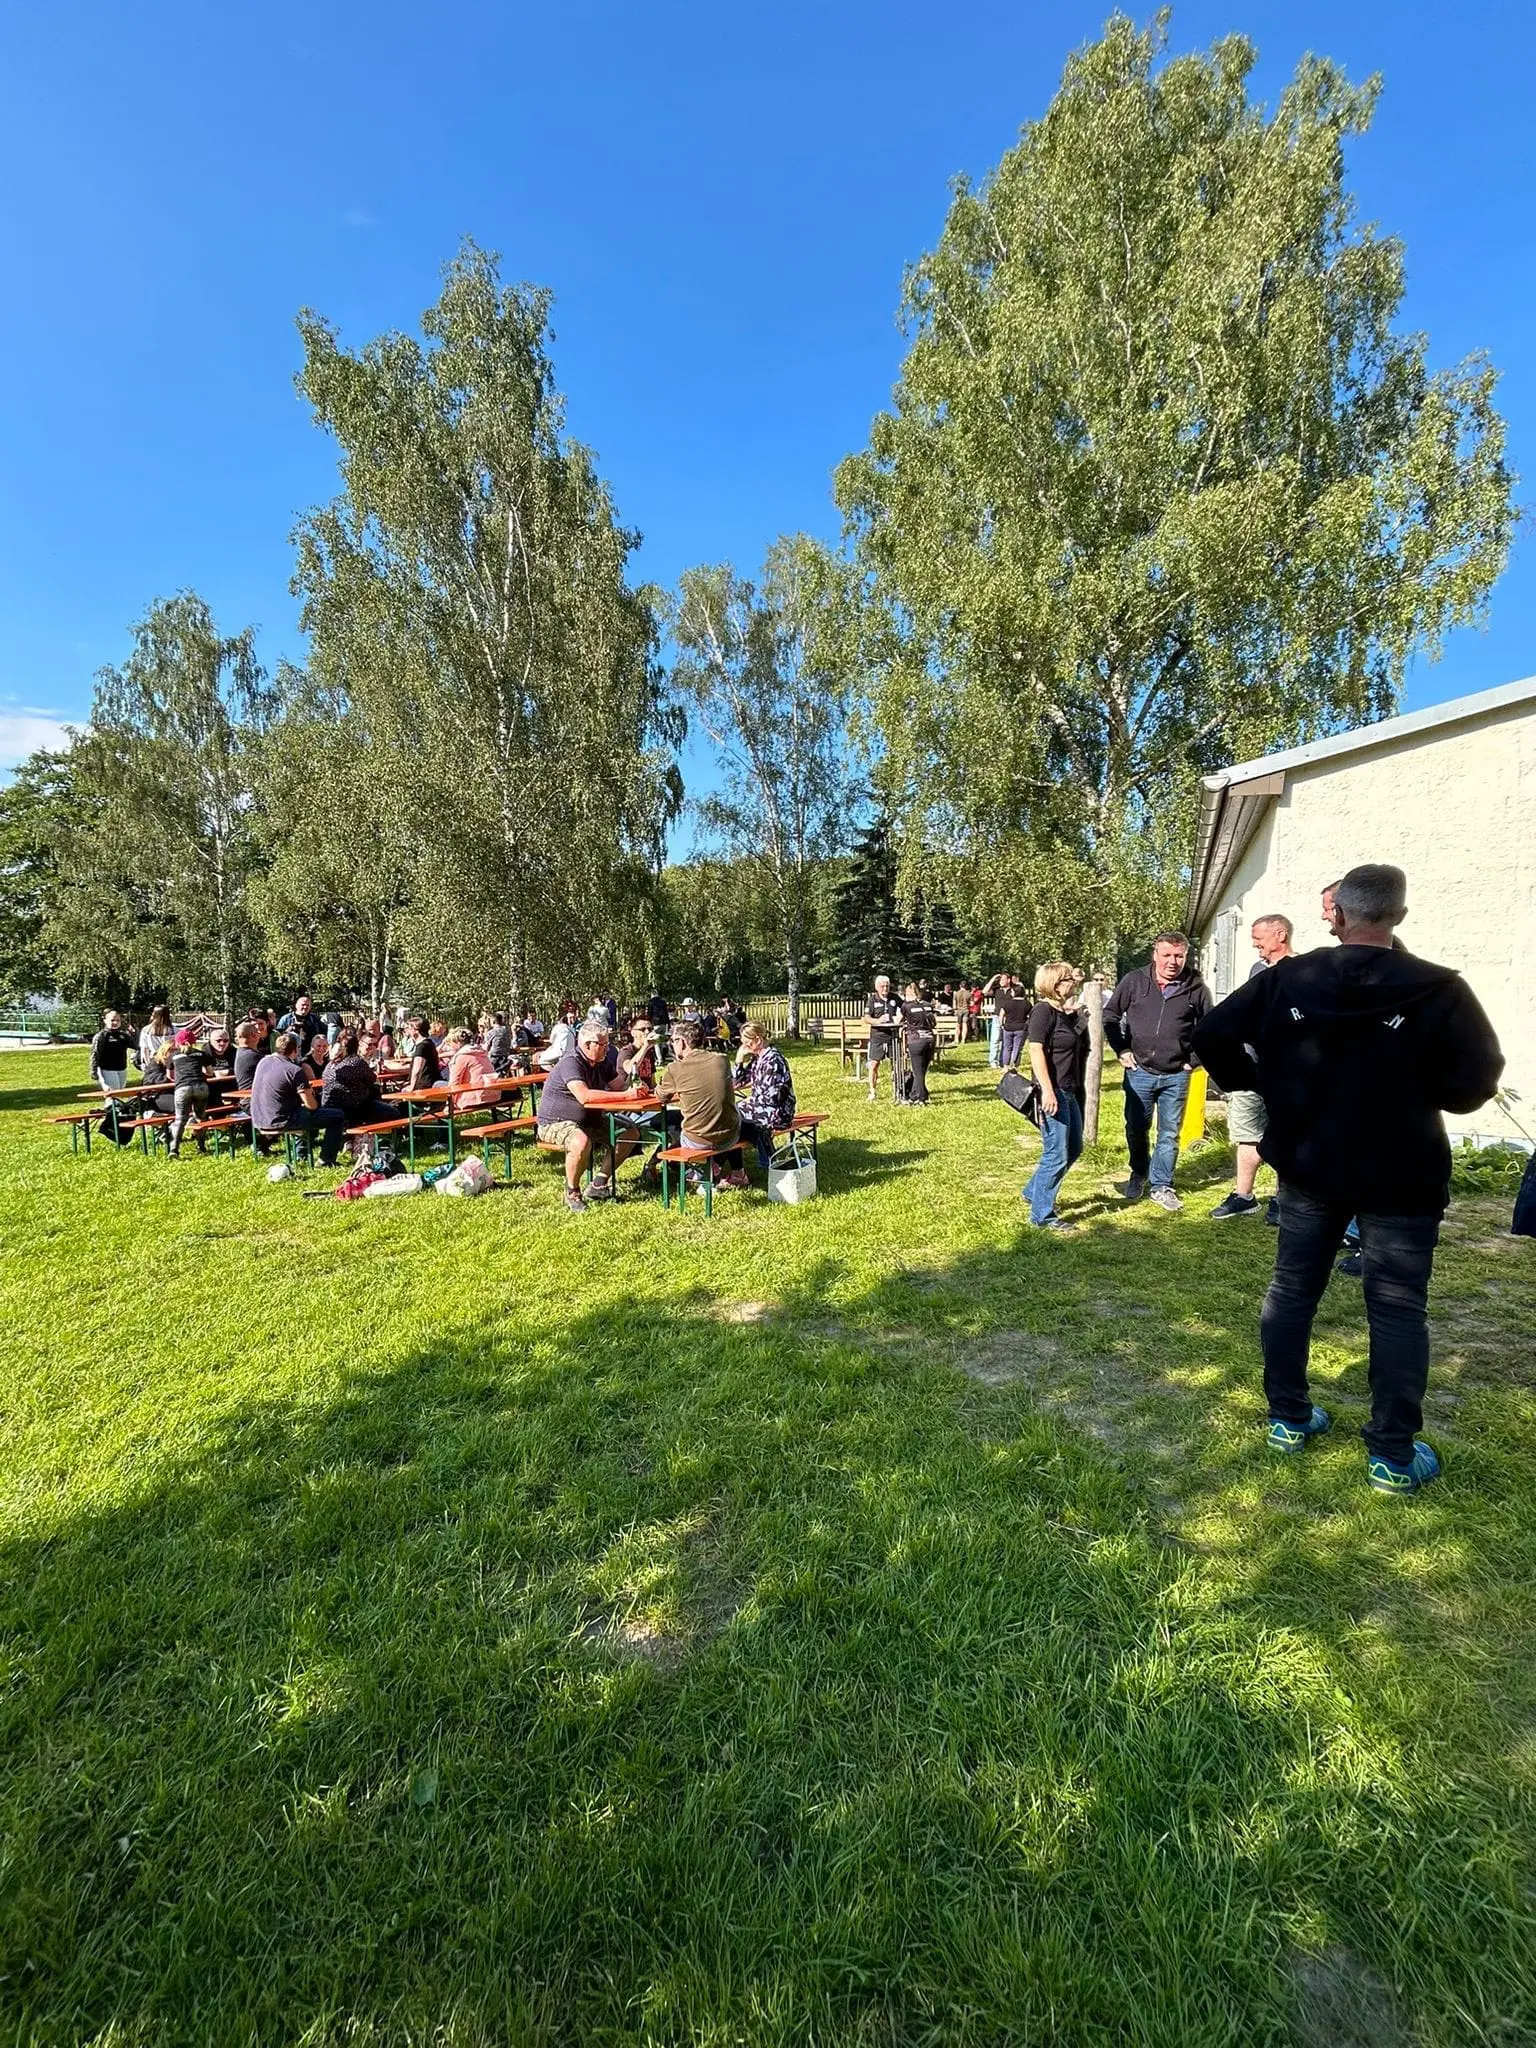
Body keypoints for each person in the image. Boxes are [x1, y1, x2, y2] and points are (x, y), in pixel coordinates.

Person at [1193, 863, 1503, 1494]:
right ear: (1400, 916)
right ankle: (1391, 1454)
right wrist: (1421, 1091)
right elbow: (1476, 1082)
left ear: (1336, 915)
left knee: (1292, 1291)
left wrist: (1265, 1080)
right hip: (1401, 1169)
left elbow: (1211, 1034)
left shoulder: (1289, 978)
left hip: (1312, 1165)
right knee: (1397, 1309)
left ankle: (1288, 1418)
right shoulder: (1439, 987)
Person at [1104, 932, 1211, 1212]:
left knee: (1169, 1133)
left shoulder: (1196, 987)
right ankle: (1139, 1171)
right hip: (1139, 1070)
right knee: (1136, 1127)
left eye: (1179, 956)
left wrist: (1194, 1060)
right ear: (1155, 955)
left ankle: (1162, 1185)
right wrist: (1121, 1049)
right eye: (1167, 955)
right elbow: (1110, 1016)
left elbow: (1209, 1027)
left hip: (1176, 1073)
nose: (1172, 961)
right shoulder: (1134, 981)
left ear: (1185, 956)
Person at [1210, 915, 1297, 1222]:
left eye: (1259, 938)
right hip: (1250, 1067)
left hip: (1286, 1071)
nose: (1254, 944)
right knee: (1247, 1133)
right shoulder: (1257, 970)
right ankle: (1244, 1196)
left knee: (1286, 1134)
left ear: (1280, 934)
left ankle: (1282, 1199)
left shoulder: (1303, 971)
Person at [536, 1018, 643, 1212]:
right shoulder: (571, 1062)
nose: (608, 1049)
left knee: (630, 1132)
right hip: (555, 1122)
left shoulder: (601, 1062)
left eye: (608, 1044)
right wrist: (627, 1095)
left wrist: (636, 1084)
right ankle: (572, 1192)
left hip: (590, 1120)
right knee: (580, 1142)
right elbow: (584, 1096)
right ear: (587, 1045)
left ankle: (599, 1184)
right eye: (603, 1045)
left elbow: (619, 1085)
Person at [1023, 962, 1089, 1229]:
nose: (1073, 982)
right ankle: (1042, 1216)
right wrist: (1047, 1090)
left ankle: (1033, 1191)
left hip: (1070, 1090)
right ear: (1054, 984)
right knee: (1057, 1153)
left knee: (1074, 1148)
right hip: (1054, 1091)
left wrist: (1079, 1018)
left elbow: (1073, 1045)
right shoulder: (1042, 1011)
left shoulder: (1064, 1013)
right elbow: (1035, 1050)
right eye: (1067, 979)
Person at [656, 1018, 745, 1186]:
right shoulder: (721, 1060)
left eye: (672, 1041)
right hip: (730, 1136)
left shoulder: (675, 1069)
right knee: (732, 1112)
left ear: (681, 1042)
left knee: (676, 1129)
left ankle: (694, 1172)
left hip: (698, 1140)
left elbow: (661, 1097)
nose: (671, 1045)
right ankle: (724, 1169)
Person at [249, 1031, 346, 1166]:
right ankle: (326, 1159)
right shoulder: (294, 1070)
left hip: (258, 1118)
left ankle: (301, 1154)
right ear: (295, 1050)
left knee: (302, 1113)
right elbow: (311, 1106)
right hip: (282, 1120)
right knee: (337, 1116)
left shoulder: (263, 1062)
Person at [736, 1020, 796, 1169]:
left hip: (779, 1112)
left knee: (733, 1115)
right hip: (763, 1108)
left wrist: (750, 1101)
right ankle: (765, 1156)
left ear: (758, 1040)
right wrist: (739, 1061)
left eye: (746, 1042)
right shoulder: (758, 1058)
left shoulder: (773, 1060)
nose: (744, 1046)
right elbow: (737, 1082)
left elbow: (771, 1097)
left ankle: (763, 1159)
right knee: (732, 1115)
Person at [165, 1027, 214, 1158]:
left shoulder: (173, 1057)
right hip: (201, 1087)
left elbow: (170, 1076)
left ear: (177, 1043)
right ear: (194, 1042)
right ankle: (201, 1146)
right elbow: (210, 1072)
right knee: (200, 1117)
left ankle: (174, 1149)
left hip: (182, 1088)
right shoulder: (202, 1054)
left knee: (180, 1119)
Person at [322, 1029, 386, 1129]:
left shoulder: (331, 1063)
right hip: (349, 1108)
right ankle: (376, 1133)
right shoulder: (357, 1062)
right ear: (357, 1047)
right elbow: (372, 1079)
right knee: (392, 1111)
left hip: (327, 1105)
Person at [898, 982, 938, 1106]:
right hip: (930, 1039)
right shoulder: (927, 1005)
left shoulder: (906, 1006)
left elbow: (898, 1020)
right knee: (922, 1070)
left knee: (917, 1072)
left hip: (916, 1040)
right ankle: (913, 1096)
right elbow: (934, 1022)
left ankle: (922, 1098)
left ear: (907, 993)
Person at [864, 975, 902, 1103]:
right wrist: (877, 1021)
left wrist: (900, 1018)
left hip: (892, 1036)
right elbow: (866, 1018)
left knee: (896, 1064)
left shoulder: (894, 998)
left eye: (887, 986)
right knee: (874, 1064)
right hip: (877, 1036)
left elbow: (905, 1009)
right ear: (876, 987)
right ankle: (872, 1092)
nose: (885, 988)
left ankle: (897, 1090)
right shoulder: (872, 1000)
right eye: (882, 986)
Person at [985, 971, 1032, 1071]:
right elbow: (984, 991)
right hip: (997, 1016)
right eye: (1000, 980)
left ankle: (1004, 1061)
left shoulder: (1013, 990)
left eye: (1003, 979)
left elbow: (1021, 993)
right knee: (995, 1040)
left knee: (1006, 1042)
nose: (1001, 981)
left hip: (1010, 1018)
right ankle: (993, 1061)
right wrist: (993, 979)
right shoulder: (997, 989)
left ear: (1008, 980)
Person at [445, 1025, 500, 1108]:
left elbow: (454, 1083)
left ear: (458, 1043)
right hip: (494, 1096)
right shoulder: (481, 1052)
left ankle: (433, 1111)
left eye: (451, 1043)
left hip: (473, 1099)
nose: (450, 1046)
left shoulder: (461, 1057)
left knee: (438, 1084)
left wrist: (449, 1104)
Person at [90, 1010, 135, 1097]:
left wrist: (134, 1033)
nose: (115, 1023)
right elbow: (95, 1053)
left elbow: (135, 1046)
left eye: (118, 1020)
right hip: (107, 1069)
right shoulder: (101, 1036)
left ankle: (114, 1106)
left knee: (120, 1093)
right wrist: (93, 1070)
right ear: (105, 1021)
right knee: (113, 1094)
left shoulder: (123, 1035)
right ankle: (111, 1106)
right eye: (112, 1020)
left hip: (122, 1068)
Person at [404, 1016, 441, 1091]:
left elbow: (417, 1070)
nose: (407, 1031)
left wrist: (412, 1087)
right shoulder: (429, 1043)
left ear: (416, 1030)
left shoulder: (421, 1046)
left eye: (409, 1028)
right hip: (431, 1083)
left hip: (424, 1087)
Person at [136, 1004, 173, 1076]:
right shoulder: (173, 1030)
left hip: (153, 1060)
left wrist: (148, 1065)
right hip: (169, 1060)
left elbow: (144, 1049)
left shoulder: (146, 1030)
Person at [232, 1019, 265, 1090]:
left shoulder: (241, 1053)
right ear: (254, 1035)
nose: (259, 1034)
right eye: (257, 1032)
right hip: (253, 1095)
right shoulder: (252, 1056)